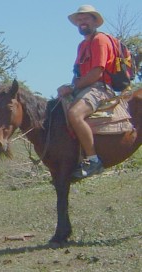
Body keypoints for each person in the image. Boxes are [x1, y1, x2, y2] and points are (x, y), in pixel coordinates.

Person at [57, 5, 116, 179]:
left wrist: (74, 88)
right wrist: (67, 87)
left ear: (94, 21)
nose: (82, 22)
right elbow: (79, 74)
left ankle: (93, 160)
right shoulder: (82, 45)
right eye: (79, 20)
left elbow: (97, 72)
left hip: (100, 87)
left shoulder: (100, 40)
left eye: (86, 19)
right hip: (86, 87)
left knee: (75, 114)